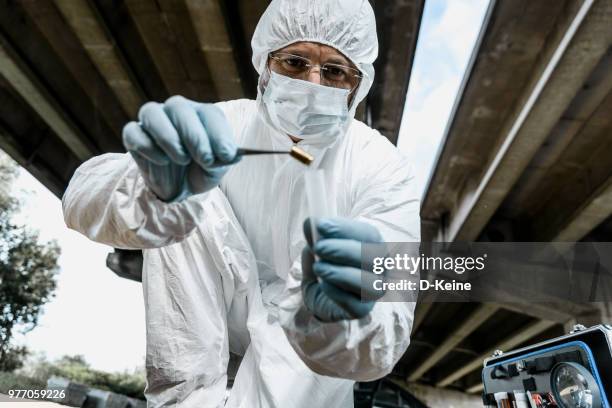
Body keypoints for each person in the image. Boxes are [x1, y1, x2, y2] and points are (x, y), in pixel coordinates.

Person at [62, 0, 420, 406]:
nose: (313, 84)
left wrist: (346, 313)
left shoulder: (380, 166)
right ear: (266, 64)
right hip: (199, 340)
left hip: (308, 363)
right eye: (296, 63)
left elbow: (388, 331)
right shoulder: (225, 126)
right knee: (191, 188)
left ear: (357, 85)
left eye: (334, 71)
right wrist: (148, 185)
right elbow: (80, 199)